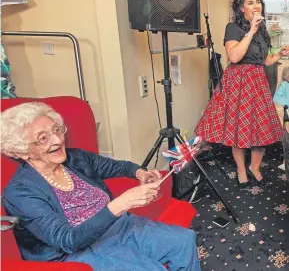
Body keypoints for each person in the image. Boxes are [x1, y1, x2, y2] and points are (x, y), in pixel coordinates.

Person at [1, 102, 201, 271]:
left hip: (116, 226)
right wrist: (121, 204)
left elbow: (117, 166)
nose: (57, 140)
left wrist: (140, 172)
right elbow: (67, 241)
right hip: (77, 251)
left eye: (57, 130)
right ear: (23, 152)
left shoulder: (74, 158)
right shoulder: (20, 192)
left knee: (183, 240)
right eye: (43, 138)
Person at [195, 0, 289, 189]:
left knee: (261, 131)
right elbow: (234, 56)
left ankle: (255, 167)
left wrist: (280, 53)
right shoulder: (233, 28)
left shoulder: (264, 31)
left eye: (258, 2)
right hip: (239, 83)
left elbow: (263, 61)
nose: (256, 6)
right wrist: (251, 31)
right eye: (250, 2)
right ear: (241, 8)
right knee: (240, 131)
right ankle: (240, 169)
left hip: (258, 82)